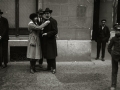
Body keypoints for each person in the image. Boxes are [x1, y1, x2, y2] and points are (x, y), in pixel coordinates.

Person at [42, 8, 58, 74]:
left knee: (52, 55)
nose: (46, 14)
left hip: (51, 41)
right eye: (45, 13)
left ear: (50, 14)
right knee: (47, 55)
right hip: (46, 40)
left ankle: (53, 68)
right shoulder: (44, 21)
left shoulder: (53, 21)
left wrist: (47, 34)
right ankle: (49, 67)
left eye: (48, 13)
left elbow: (55, 31)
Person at [108, 23, 120, 90]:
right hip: (115, 56)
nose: (118, 32)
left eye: (119, 31)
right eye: (117, 31)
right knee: (114, 71)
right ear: (115, 31)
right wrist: (112, 53)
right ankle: (113, 85)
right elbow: (109, 48)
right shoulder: (113, 39)